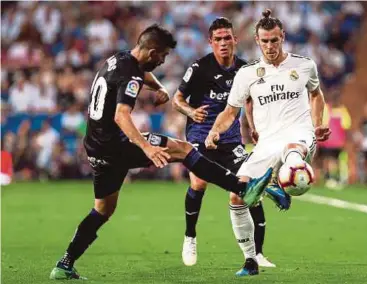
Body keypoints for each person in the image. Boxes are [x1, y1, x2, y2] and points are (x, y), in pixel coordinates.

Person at [49, 24, 273, 280]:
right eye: (163, 56)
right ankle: (242, 187)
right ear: (153, 52)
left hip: (95, 147)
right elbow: (122, 115)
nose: (163, 60)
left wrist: (158, 88)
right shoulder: (132, 76)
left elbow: (141, 74)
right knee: (183, 149)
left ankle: (65, 263)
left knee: (103, 209)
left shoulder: (118, 59)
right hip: (118, 144)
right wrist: (146, 147)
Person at [205, 9, 330, 223]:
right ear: (257, 40)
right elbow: (230, 111)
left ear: (283, 37)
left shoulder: (305, 65)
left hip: (299, 135)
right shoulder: (246, 73)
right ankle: (251, 257)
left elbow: (316, 94)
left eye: (274, 40)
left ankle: (282, 180)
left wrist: (316, 125)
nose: (270, 47)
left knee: (292, 149)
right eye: (265, 41)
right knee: (236, 196)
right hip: (267, 142)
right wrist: (214, 131)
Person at [172, 18, 275, 271]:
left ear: (235, 40)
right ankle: (190, 237)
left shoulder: (244, 69)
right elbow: (177, 98)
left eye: (227, 38)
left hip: (230, 139)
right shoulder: (199, 68)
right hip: (199, 134)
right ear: (211, 42)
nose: (223, 43)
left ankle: (257, 254)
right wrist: (190, 111)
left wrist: (252, 127)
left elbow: (249, 101)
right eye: (217, 39)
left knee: (248, 188)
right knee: (198, 181)